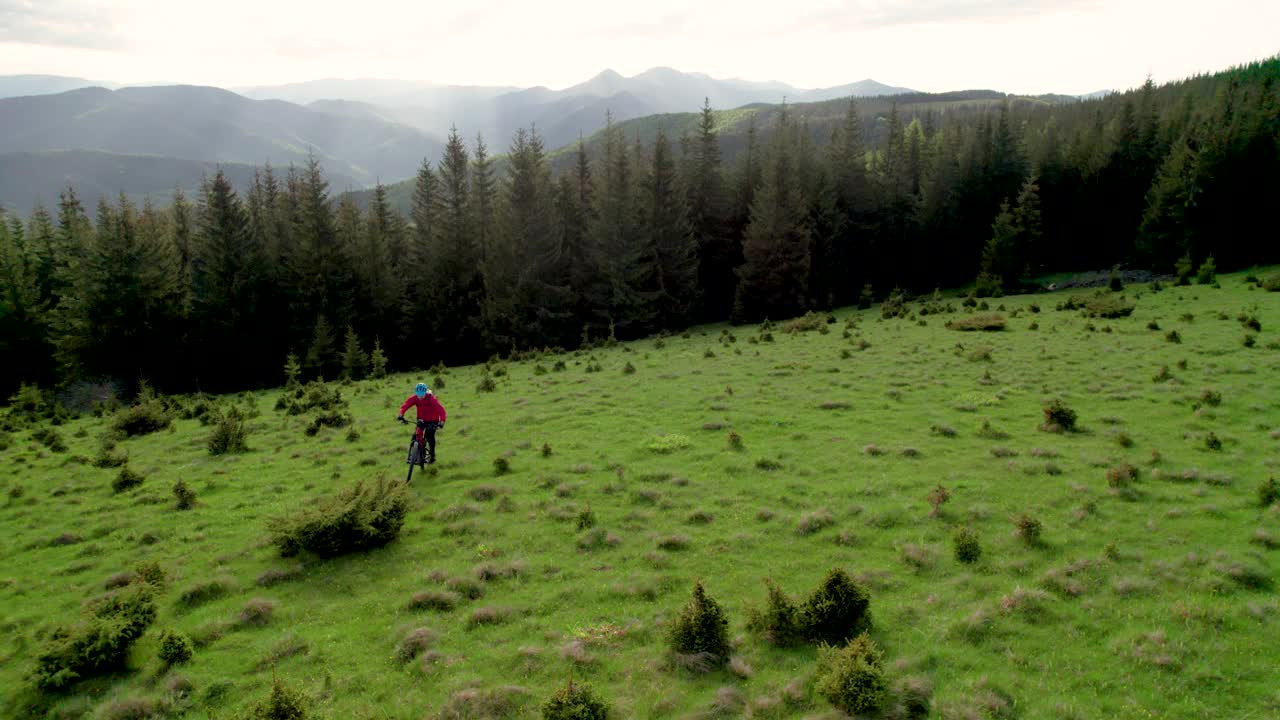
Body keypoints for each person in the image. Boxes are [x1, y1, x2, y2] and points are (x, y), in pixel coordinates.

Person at [398, 382, 447, 464]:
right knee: (416, 436)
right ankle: (416, 455)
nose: (420, 397)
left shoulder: (432, 399)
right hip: (421, 419)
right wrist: (401, 414)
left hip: (433, 420)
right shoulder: (414, 398)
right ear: (416, 393)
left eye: (422, 395)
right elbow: (405, 405)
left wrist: (442, 422)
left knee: (429, 435)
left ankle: (432, 456)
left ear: (426, 392)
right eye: (418, 395)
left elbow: (441, 411)